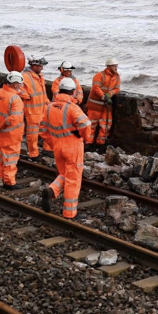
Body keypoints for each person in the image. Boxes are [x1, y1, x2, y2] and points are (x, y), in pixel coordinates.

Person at [40, 77, 91, 217]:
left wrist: (53, 143)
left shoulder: (50, 107)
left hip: (57, 147)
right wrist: (86, 138)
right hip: (73, 147)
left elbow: (42, 129)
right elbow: (86, 124)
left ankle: (51, 190)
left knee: (64, 174)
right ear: (73, 92)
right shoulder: (72, 108)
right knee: (73, 179)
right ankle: (69, 213)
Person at [0, 71, 25, 190]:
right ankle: (9, 182)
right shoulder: (15, 99)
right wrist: (2, 125)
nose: (21, 85)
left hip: (0, 132)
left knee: (0, 155)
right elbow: (14, 118)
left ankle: (1, 177)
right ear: (15, 83)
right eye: (19, 83)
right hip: (12, 133)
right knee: (10, 158)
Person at [19, 54, 49, 161]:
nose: (42, 68)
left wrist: (47, 103)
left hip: (42, 108)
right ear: (34, 65)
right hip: (32, 110)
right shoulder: (25, 76)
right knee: (33, 133)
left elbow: (42, 93)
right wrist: (26, 95)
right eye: (41, 66)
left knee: (46, 128)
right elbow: (18, 88)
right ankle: (33, 153)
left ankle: (47, 148)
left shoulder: (40, 76)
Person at [86, 57, 120, 149]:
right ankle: (88, 144)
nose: (116, 68)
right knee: (91, 125)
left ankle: (101, 143)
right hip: (95, 105)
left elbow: (116, 88)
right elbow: (96, 87)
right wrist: (103, 97)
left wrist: (109, 94)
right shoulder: (99, 75)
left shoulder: (117, 76)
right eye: (114, 66)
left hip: (106, 106)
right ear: (108, 67)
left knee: (105, 125)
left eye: (116, 66)